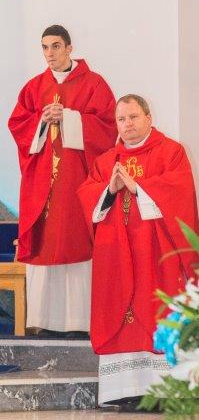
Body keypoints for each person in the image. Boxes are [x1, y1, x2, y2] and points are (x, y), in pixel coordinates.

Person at [78, 94, 199, 407]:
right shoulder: (106, 162)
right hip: (116, 255)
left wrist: (139, 187)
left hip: (156, 255)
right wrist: (110, 189)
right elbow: (88, 198)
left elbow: (181, 192)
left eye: (133, 117)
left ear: (148, 117)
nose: (127, 124)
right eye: (121, 119)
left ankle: (165, 391)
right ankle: (126, 390)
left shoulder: (171, 152)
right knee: (121, 314)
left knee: (156, 313)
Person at [8, 24, 116, 334]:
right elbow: (17, 124)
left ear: (69, 48)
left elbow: (108, 128)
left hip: (77, 180)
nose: (50, 53)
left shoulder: (94, 84)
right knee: (45, 241)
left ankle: (80, 321)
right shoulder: (33, 87)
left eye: (56, 46)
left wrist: (68, 118)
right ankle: (44, 320)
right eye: (44, 47)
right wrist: (41, 120)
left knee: (77, 239)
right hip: (43, 181)